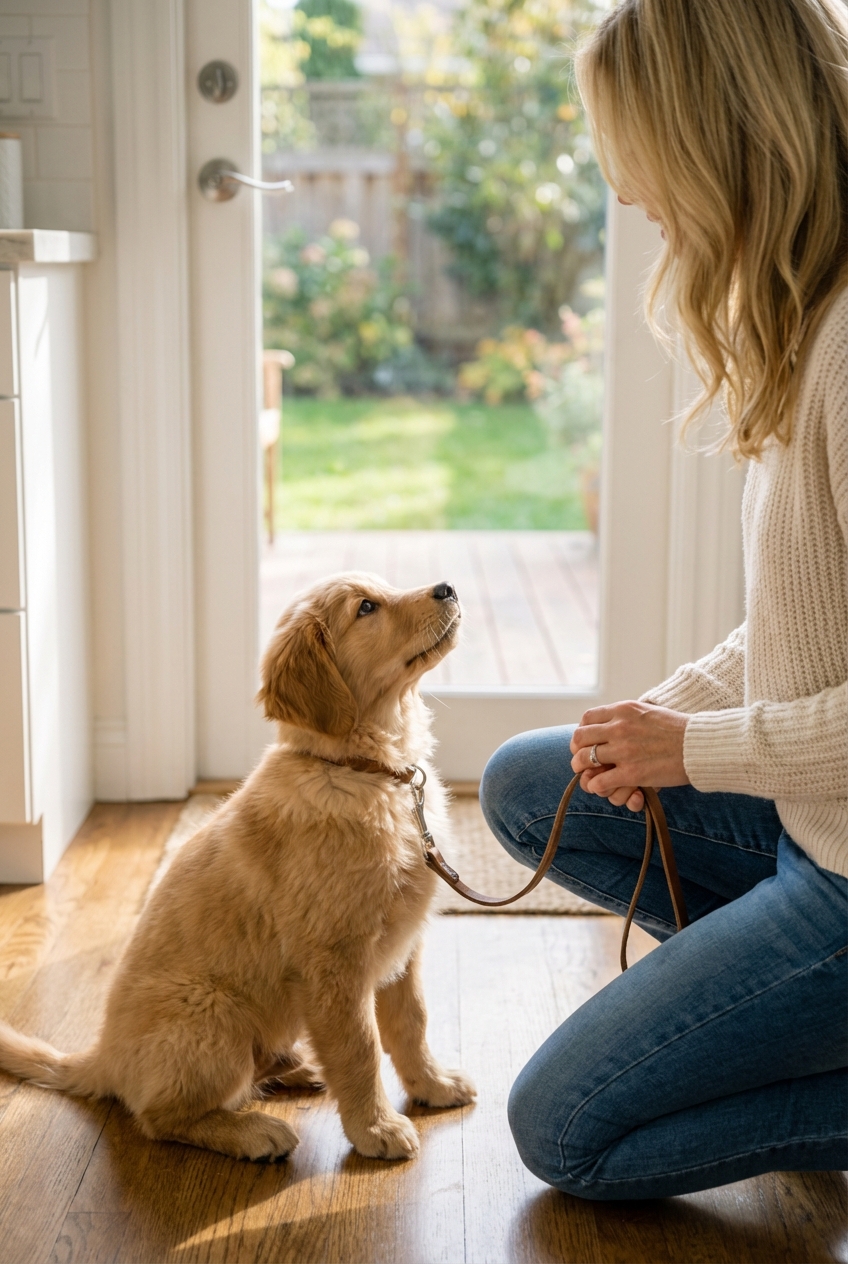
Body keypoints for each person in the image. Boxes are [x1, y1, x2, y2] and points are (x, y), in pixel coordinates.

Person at [480, 0, 847, 1200]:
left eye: (634, 151)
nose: (629, 195)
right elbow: (808, 618)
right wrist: (660, 715)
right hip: (813, 828)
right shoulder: (806, 312)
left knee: (565, 1131)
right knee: (534, 779)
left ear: (717, 132)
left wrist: (694, 749)